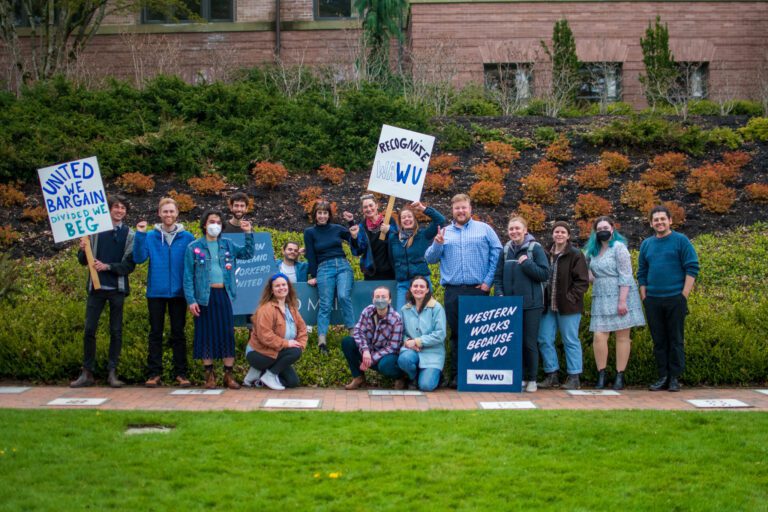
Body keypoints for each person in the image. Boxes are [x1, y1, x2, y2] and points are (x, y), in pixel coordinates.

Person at [425, 194, 502, 389]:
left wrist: (488, 281)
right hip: (453, 292)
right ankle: (457, 375)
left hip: (478, 290)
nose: (461, 211)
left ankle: (478, 375)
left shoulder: (484, 229)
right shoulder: (444, 232)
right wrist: (437, 244)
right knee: (457, 335)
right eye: (457, 208)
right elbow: (431, 258)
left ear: (470, 209)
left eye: (464, 208)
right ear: (452, 210)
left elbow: (498, 252)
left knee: (479, 336)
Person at [70, 195, 136, 388]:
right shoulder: (95, 231)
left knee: (116, 330)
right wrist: (83, 249)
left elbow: (129, 265)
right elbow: (83, 261)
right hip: (96, 288)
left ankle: (112, 373)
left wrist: (107, 267)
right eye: (116, 207)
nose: (119, 210)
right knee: (90, 329)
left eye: (123, 208)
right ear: (109, 209)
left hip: (117, 289)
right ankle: (87, 372)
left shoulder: (129, 234)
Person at [183, 209, 254, 389]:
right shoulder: (194, 247)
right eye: (211, 221)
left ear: (222, 226)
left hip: (223, 295)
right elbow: (188, 276)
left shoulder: (228, 245)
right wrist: (191, 300)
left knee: (226, 335)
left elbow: (247, 253)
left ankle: (228, 376)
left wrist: (248, 234)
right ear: (204, 224)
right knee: (205, 336)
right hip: (203, 298)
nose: (215, 225)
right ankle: (209, 376)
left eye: (218, 222)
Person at [133, 197, 196, 388]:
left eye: (171, 211)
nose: (168, 214)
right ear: (159, 214)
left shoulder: (188, 238)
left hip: (178, 294)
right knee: (155, 333)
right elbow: (138, 258)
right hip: (156, 293)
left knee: (178, 334)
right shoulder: (151, 236)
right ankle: (154, 374)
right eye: (165, 211)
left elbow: (193, 265)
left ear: (177, 213)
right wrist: (140, 235)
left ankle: (181, 373)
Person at [638, 205, 699, 392]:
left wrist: (683, 296)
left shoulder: (681, 241)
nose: (659, 222)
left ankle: (674, 378)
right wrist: (644, 297)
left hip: (675, 298)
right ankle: (663, 376)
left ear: (670, 220)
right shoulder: (646, 244)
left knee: (675, 339)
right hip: (653, 300)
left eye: (662, 219)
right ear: (651, 223)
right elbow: (642, 272)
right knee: (659, 340)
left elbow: (692, 267)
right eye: (655, 220)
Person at [584, 216, 645, 390]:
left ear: (612, 229)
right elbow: (589, 273)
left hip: (621, 294)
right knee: (599, 336)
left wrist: (622, 301)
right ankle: (601, 374)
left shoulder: (619, 248)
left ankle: (620, 375)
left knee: (622, 337)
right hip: (601, 296)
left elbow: (626, 275)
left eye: (605, 227)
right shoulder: (593, 251)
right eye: (599, 228)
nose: (602, 230)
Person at [493, 216, 549, 393]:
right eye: (511, 229)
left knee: (529, 342)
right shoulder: (506, 249)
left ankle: (532, 379)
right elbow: (498, 276)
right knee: (513, 343)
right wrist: (500, 294)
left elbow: (544, 274)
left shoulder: (535, 248)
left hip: (532, 305)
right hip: (510, 305)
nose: (514, 232)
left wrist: (527, 263)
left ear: (525, 230)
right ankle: (519, 377)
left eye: (517, 228)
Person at [536, 221, 589, 390]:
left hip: (568, 307)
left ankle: (574, 377)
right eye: (556, 232)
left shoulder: (575, 254)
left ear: (568, 235)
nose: (559, 234)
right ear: (552, 234)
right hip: (548, 306)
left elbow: (582, 281)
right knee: (544, 339)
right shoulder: (545, 254)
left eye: (563, 232)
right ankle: (552, 375)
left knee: (570, 340)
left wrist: (570, 297)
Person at [303, 200, 355, 353]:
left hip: (343, 266)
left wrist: (351, 221)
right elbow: (311, 255)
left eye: (325, 213)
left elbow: (355, 237)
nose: (322, 216)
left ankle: (352, 334)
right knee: (325, 303)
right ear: (315, 215)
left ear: (329, 215)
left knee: (343, 296)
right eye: (319, 213)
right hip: (324, 268)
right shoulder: (309, 232)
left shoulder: (337, 229)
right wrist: (313, 275)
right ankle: (322, 341)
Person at [242, 273, 307, 390]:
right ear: (271, 290)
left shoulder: (291, 309)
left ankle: (258, 377)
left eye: (284, 284)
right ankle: (269, 375)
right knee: (294, 352)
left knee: (292, 382)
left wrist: (300, 344)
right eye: (277, 286)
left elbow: (302, 330)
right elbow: (265, 336)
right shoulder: (266, 309)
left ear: (288, 287)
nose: (281, 288)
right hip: (259, 353)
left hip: (278, 351)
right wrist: (287, 344)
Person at [342, 286, 404, 390]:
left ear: (390, 300)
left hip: (386, 355)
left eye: (384, 297)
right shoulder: (368, 311)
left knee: (385, 365)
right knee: (347, 342)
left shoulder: (396, 318)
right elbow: (358, 331)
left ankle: (400, 377)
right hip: (368, 351)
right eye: (377, 297)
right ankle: (358, 377)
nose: (380, 299)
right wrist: (365, 350)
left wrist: (372, 358)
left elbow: (393, 347)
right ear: (373, 299)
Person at [387, 201, 446, 310]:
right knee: (402, 316)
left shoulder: (423, 235)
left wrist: (423, 208)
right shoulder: (393, 238)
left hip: (422, 281)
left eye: (409, 216)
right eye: (403, 217)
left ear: (414, 219)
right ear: (400, 221)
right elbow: (391, 259)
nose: (407, 219)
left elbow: (440, 220)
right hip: (403, 284)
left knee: (426, 314)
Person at [397, 276, 447, 392]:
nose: (418, 289)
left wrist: (418, 341)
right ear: (410, 289)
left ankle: (436, 374)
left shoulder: (437, 308)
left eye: (422, 286)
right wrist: (408, 342)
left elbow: (440, 334)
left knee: (426, 386)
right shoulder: (405, 309)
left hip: (432, 353)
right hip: (412, 350)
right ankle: (412, 377)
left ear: (427, 290)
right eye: (415, 286)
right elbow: (402, 332)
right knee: (404, 360)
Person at [344, 193, 398, 280]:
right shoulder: (362, 227)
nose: (368, 209)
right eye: (365, 207)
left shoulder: (388, 221)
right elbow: (357, 251)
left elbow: (400, 239)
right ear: (362, 210)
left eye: (371, 205)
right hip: (371, 272)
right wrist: (354, 237)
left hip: (391, 271)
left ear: (376, 206)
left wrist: (389, 230)